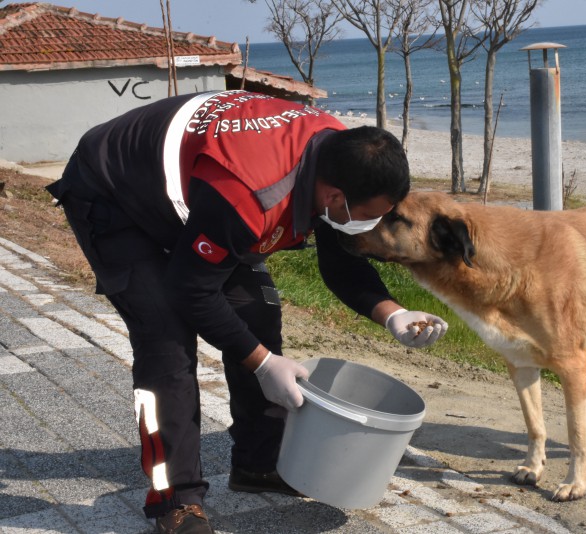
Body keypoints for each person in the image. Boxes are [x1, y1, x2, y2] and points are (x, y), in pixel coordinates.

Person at [46, 90, 448, 533]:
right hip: (112, 191)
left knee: (257, 312)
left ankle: (259, 465)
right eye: (368, 216)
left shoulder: (341, 156)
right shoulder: (253, 195)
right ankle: (174, 502)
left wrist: (392, 312)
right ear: (334, 196)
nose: (370, 227)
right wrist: (261, 363)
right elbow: (191, 290)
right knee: (166, 341)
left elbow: (339, 256)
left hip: (201, 194)